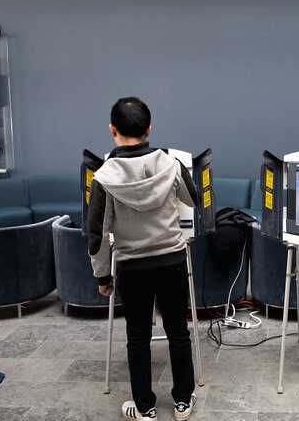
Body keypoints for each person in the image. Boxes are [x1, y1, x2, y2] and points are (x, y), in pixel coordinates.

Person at [87, 97, 198, 421]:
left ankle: (146, 408)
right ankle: (182, 402)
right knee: (178, 331)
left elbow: (97, 233)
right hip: (171, 260)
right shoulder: (170, 164)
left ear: (112, 131)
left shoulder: (104, 176)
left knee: (137, 337)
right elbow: (193, 198)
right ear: (149, 129)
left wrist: (103, 277)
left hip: (132, 266)